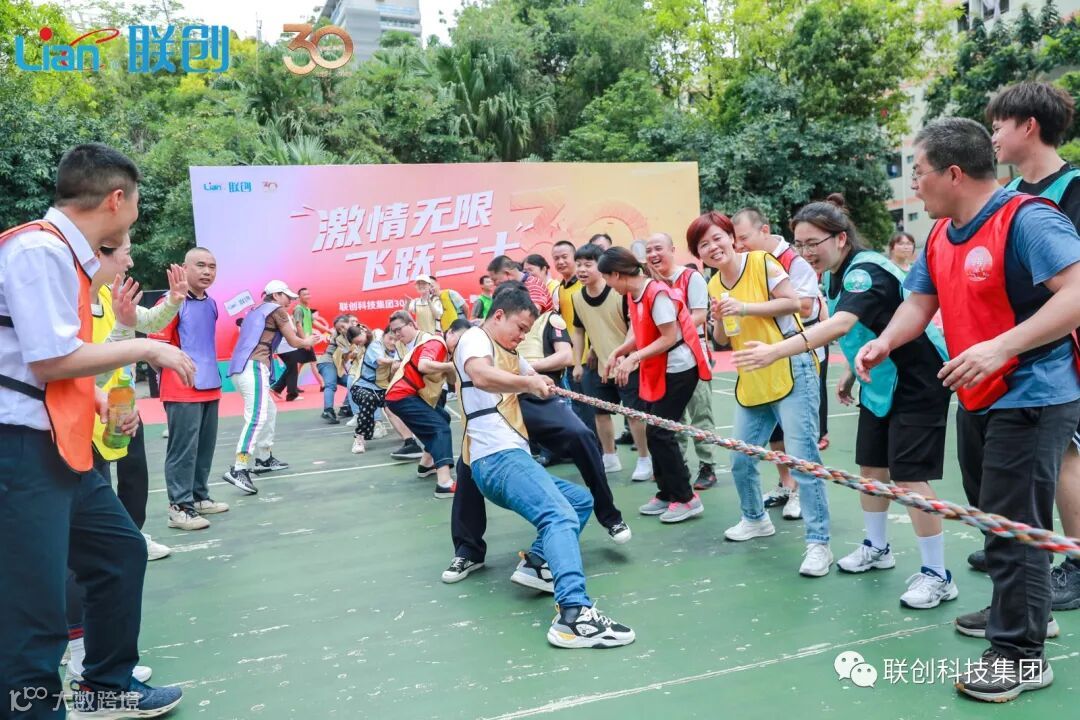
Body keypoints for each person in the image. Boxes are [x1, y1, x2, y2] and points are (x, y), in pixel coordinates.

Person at [855, 117, 1080, 702]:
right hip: (978, 392)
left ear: (953, 173)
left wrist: (1002, 347)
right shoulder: (940, 235)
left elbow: (1078, 293)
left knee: (1015, 524)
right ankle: (1023, 613)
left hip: (1032, 394)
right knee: (993, 517)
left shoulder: (1027, 220)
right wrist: (886, 342)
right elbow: (920, 301)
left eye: (919, 172)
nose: (914, 184)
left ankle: (1020, 655)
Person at [0, 143, 193, 717]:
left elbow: (56, 361)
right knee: (34, 616)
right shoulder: (38, 249)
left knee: (119, 552)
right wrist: (148, 348)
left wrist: (106, 398)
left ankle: (106, 684)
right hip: (19, 449)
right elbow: (50, 359)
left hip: (58, 447)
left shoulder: (66, 258)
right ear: (116, 199)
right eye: (135, 204)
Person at [733, 195, 957, 608]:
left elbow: (841, 324)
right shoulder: (835, 275)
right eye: (799, 244)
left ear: (840, 238)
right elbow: (871, 327)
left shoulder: (863, 273)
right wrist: (852, 371)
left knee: (908, 477)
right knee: (871, 468)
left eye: (813, 242)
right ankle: (877, 547)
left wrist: (776, 351)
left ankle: (937, 575)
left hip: (918, 379)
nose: (805, 252)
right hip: (880, 379)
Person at [451, 283, 635, 648]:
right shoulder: (475, 339)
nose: (523, 336)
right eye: (520, 327)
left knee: (578, 502)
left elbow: (531, 374)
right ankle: (574, 616)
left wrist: (538, 381)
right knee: (559, 516)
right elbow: (482, 376)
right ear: (498, 315)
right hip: (498, 459)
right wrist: (528, 383)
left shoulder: (507, 351)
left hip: (507, 459)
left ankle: (538, 563)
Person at [688, 210, 833, 577]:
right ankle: (755, 519)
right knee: (740, 458)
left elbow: (794, 303)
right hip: (752, 377)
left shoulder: (762, 261)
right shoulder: (714, 284)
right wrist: (721, 316)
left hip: (791, 367)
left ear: (730, 237)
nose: (713, 247)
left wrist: (745, 307)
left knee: (803, 459)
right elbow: (722, 338)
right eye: (703, 244)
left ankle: (819, 543)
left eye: (717, 238)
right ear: (699, 254)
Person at [982, 80, 1080, 612]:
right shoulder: (1008, 196)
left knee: (1066, 456)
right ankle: (1021, 551)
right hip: (1019, 352)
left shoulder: (1073, 191)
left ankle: (1074, 562)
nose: (993, 136)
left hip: (1062, 352)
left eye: (999, 126)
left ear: (1029, 126)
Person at [600, 246, 713, 524]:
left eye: (607, 278)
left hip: (680, 369)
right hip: (659, 369)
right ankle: (667, 493)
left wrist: (634, 357)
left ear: (617, 274)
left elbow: (668, 337)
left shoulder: (657, 293)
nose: (608, 285)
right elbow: (641, 333)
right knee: (654, 431)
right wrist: (619, 352)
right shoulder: (633, 295)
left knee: (661, 432)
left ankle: (686, 498)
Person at [731, 207, 831, 517]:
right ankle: (786, 483)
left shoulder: (793, 261)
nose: (739, 246)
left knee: (799, 433)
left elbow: (804, 306)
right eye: (736, 240)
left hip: (801, 352)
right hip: (765, 355)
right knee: (775, 434)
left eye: (744, 238)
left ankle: (801, 493)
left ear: (764, 230)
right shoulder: (746, 265)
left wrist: (749, 306)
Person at [88, 234, 183, 554]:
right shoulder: (71, 303)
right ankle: (109, 546)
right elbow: (85, 370)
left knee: (134, 478)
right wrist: (134, 340)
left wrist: (174, 300)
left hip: (123, 404)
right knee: (97, 488)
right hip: (88, 410)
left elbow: (149, 321)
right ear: (97, 254)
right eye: (125, 253)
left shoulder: (109, 294)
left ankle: (132, 535)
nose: (130, 262)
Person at [150, 247, 229, 531]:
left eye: (212, 266)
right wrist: (172, 378)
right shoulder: (170, 302)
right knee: (183, 450)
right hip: (181, 388)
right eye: (200, 265)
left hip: (210, 385)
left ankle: (199, 496)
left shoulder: (212, 303)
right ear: (184, 268)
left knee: (204, 448)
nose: (207, 272)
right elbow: (155, 349)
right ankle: (179, 507)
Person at [222, 280, 316, 495]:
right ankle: (239, 468)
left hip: (240, 367)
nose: (290, 300)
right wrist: (309, 340)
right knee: (256, 417)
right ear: (275, 296)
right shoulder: (277, 310)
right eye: (286, 296)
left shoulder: (255, 311)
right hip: (254, 367)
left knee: (269, 410)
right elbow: (295, 342)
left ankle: (264, 458)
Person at [570, 243, 652, 480]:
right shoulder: (577, 297)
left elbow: (634, 326)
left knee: (634, 414)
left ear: (602, 267)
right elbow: (579, 331)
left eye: (588, 264)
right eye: (578, 265)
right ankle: (609, 457)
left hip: (628, 363)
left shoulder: (619, 292)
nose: (581, 270)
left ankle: (645, 459)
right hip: (600, 365)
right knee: (600, 412)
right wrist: (578, 362)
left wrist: (625, 355)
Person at [644, 232, 719, 491]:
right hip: (663, 359)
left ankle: (707, 465)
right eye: (648, 251)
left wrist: (669, 332)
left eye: (658, 248)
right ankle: (678, 464)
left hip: (693, 356)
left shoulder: (690, 278)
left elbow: (699, 315)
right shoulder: (650, 284)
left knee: (700, 413)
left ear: (672, 249)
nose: (653, 254)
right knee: (672, 418)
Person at [384, 312, 469, 497]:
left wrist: (453, 366)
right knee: (440, 428)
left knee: (443, 418)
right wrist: (451, 366)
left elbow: (451, 380)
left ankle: (426, 465)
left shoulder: (447, 352)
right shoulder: (436, 342)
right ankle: (444, 483)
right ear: (450, 333)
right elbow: (424, 365)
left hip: (410, 395)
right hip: (403, 395)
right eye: (460, 339)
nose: (397, 334)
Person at [551, 239, 596, 434]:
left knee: (592, 410)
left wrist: (593, 349)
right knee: (579, 408)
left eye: (564, 257)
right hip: (572, 358)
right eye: (556, 258)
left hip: (588, 358)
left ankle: (597, 447)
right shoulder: (561, 288)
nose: (560, 262)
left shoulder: (585, 285)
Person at [271, 287, 329, 401]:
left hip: (294, 344)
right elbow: (296, 326)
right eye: (288, 299)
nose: (289, 301)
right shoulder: (293, 310)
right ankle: (291, 392)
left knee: (294, 366)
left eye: (308, 294)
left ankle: (280, 389)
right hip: (292, 344)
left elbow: (309, 323)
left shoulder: (298, 311)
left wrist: (328, 330)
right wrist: (304, 341)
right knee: (298, 366)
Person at [348, 324, 394, 454]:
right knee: (369, 398)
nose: (359, 344)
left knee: (397, 403)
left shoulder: (381, 339)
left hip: (382, 386)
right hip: (362, 385)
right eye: (357, 343)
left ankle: (409, 437)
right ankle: (360, 438)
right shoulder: (373, 345)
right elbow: (380, 361)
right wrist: (398, 360)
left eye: (359, 341)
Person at [487, 255, 555, 313]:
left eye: (495, 280)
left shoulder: (533, 284)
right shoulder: (513, 287)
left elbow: (533, 313)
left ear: (507, 273)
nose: (494, 284)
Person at [316, 314, 352, 424]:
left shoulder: (353, 333)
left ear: (349, 323)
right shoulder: (339, 337)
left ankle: (346, 407)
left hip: (337, 366)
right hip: (327, 362)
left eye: (343, 326)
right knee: (330, 385)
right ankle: (328, 410)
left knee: (353, 383)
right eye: (339, 329)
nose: (342, 330)